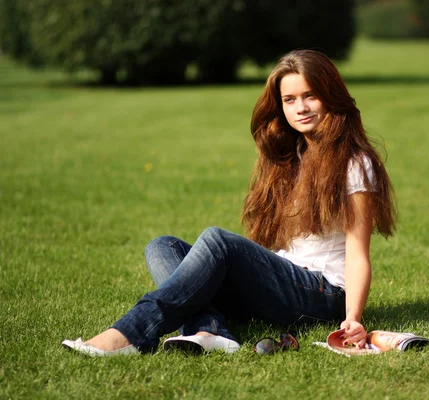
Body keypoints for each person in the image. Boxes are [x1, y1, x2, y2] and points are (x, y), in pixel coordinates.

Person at [62, 49, 396, 356]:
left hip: (323, 294)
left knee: (218, 242)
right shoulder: (291, 154)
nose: (301, 108)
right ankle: (210, 333)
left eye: (310, 96)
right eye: (289, 99)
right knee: (162, 247)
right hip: (283, 281)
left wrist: (352, 317)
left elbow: (357, 253)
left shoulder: (355, 163)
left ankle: (130, 333)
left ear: (331, 96)